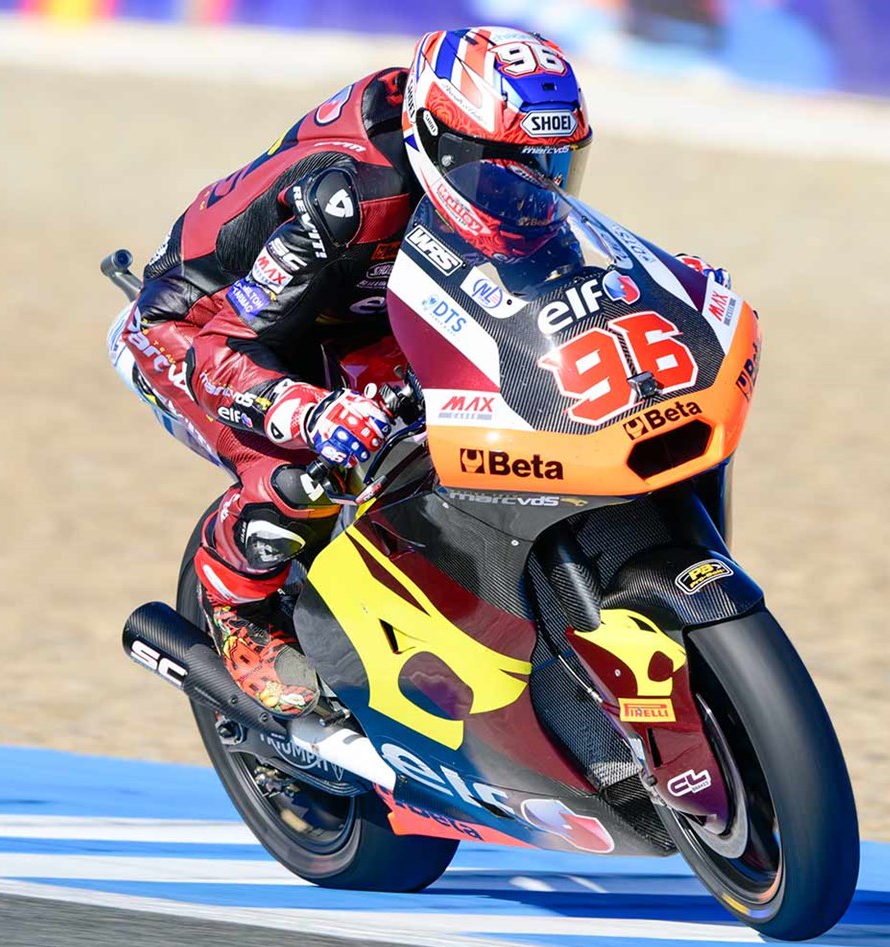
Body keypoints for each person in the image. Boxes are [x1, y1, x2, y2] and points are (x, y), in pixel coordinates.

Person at [108, 26, 728, 718]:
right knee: (312, 466)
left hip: (356, 314)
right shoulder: (349, 200)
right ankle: (235, 600)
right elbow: (228, 340)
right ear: (437, 141)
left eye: (552, 162)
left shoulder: (470, 166)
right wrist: (307, 411)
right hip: (199, 330)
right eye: (504, 167)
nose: (531, 188)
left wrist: (661, 287)